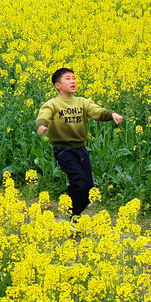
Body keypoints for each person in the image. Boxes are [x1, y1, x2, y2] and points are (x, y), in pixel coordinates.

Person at [36, 68, 123, 218]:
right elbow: (44, 115)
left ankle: (73, 213)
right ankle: (73, 215)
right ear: (58, 85)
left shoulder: (82, 102)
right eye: (68, 78)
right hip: (63, 150)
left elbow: (97, 111)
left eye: (74, 78)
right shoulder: (53, 104)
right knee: (79, 181)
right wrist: (42, 124)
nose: (73, 81)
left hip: (81, 149)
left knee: (89, 189)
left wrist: (112, 114)